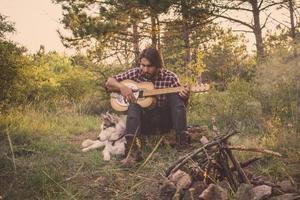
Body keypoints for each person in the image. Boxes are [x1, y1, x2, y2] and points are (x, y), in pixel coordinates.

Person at [105, 47, 190, 164]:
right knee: (133, 104)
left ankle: (182, 145)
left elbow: (180, 105)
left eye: (149, 66)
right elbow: (109, 82)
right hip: (144, 123)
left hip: (164, 122)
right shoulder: (135, 73)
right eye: (142, 65)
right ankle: (132, 152)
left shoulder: (170, 77)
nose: (145, 69)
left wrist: (184, 97)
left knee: (175, 95)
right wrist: (122, 87)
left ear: (157, 65)